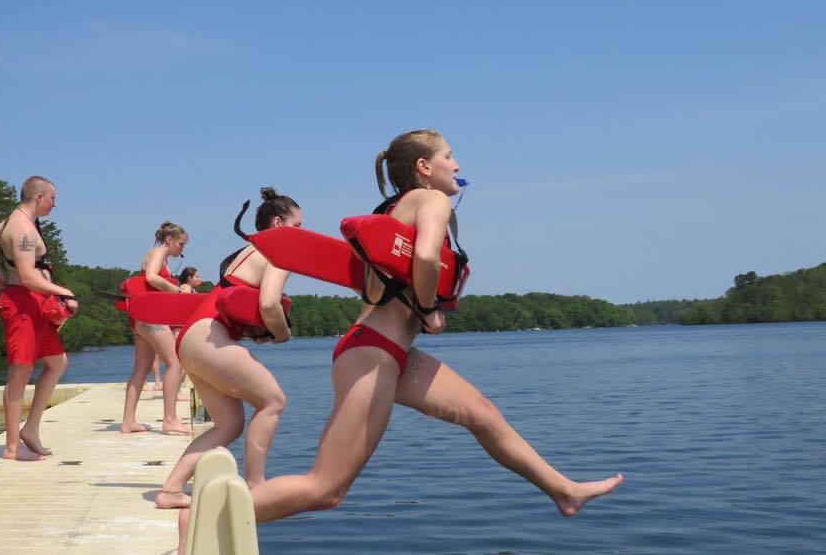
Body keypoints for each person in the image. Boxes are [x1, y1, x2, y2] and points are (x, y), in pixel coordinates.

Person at [245, 130, 623, 525]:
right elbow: (425, 257)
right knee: (326, 488)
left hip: (388, 354)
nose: (457, 166)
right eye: (449, 156)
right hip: (373, 353)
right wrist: (428, 309)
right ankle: (211, 514)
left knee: (483, 414)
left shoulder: (395, 209)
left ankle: (564, 491)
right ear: (424, 167)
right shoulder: (432, 200)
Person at [156, 189, 296, 510]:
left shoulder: (246, 252)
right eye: (298, 226)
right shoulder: (279, 253)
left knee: (229, 424)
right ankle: (257, 488)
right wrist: (282, 334)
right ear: (278, 224)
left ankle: (170, 491)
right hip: (209, 336)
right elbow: (269, 304)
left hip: (192, 338)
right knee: (273, 401)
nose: (303, 233)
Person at [0, 176, 77, 461]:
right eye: (52, 198)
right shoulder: (21, 227)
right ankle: (12, 447)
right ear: (39, 197)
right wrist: (64, 292)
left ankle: (30, 428)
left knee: (58, 362)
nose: (55, 204)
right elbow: (26, 276)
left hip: (35, 303)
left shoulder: (21, 220)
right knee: (19, 374)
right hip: (21, 304)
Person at [121, 221, 194, 436]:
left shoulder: (163, 258)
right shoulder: (157, 253)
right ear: (169, 240)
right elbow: (151, 277)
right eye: (181, 244)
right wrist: (176, 290)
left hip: (142, 318)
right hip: (151, 317)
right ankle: (170, 419)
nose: (182, 248)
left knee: (142, 368)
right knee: (175, 363)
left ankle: (128, 421)